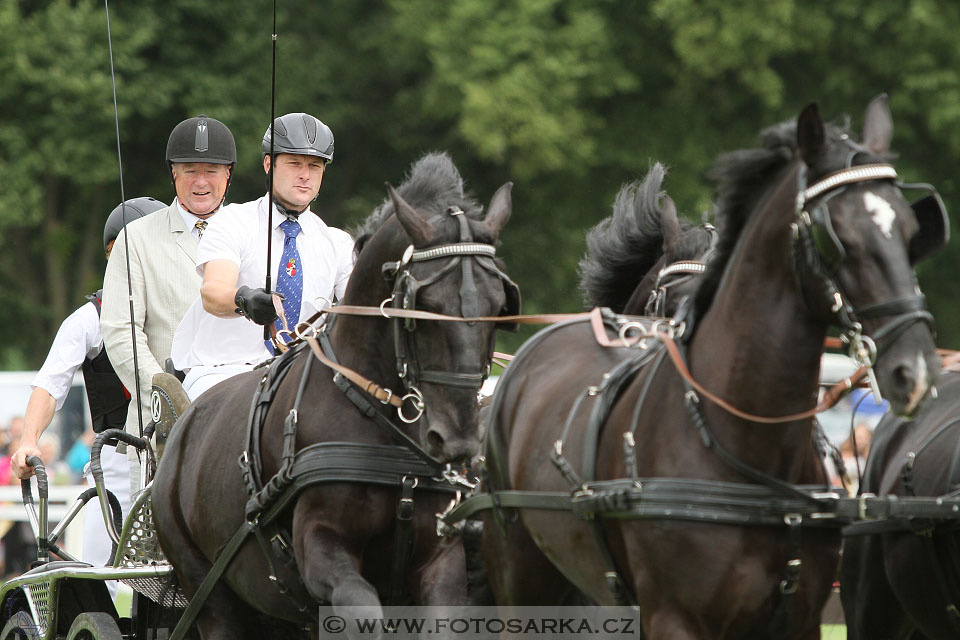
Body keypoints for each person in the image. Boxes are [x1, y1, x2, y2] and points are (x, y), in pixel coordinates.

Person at [9, 196, 162, 585]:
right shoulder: (89, 318)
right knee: (97, 576)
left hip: (184, 452)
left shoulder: (192, 309)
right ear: (113, 254)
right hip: (117, 460)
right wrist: (28, 439)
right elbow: (51, 382)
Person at [171, 112, 354, 400]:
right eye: (294, 163)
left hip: (303, 378)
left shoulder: (338, 243)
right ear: (269, 164)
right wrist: (243, 299)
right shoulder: (233, 221)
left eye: (314, 166)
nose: (305, 175)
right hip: (225, 372)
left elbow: (359, 311)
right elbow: (213, 292)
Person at [101, 116, 236, 494]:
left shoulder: (252, 231)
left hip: (237, 421)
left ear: (228, 175)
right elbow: (120, 331)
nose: (201, 181)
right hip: (158, 426)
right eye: (189, 170)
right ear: (173, 174)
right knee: (155, 550)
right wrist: (166, 391)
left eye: (211, 170)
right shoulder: (137, 239)